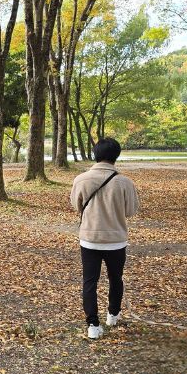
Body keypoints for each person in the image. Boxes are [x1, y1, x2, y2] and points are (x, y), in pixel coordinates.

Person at [70, 138, 139, 340]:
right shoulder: (125, 182)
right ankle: (113, 315)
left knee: (89, 281)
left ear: (95, 154)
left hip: (89, 239)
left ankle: (92, 325)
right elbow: (131, 210)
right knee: (115, 279)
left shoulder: (81, 179)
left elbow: (77, 205)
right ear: (116, 156)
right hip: (116, 240)